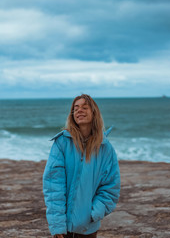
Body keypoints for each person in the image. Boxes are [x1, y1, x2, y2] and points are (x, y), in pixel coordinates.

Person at [43, 94, 121, 238]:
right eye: (76, 108)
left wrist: (94, 213)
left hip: (88, 227)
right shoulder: (62, 143)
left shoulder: (105, 148)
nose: (79, 110)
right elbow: (53, 186)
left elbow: (111, 186)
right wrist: (57, 224)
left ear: (94, 113)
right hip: (63, 228)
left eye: (85, 107)